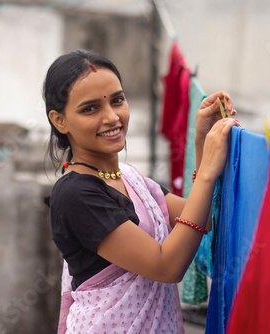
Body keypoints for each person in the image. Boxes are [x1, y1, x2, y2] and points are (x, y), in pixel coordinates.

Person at [44, 49, 238, 333]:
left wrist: (201, 139)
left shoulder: (132, 179)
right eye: (90, 108)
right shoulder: (75, 194)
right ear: (59, 120)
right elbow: (167, 266)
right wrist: (208, 169)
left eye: (117, 100)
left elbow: (202, 219)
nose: (112, 117)